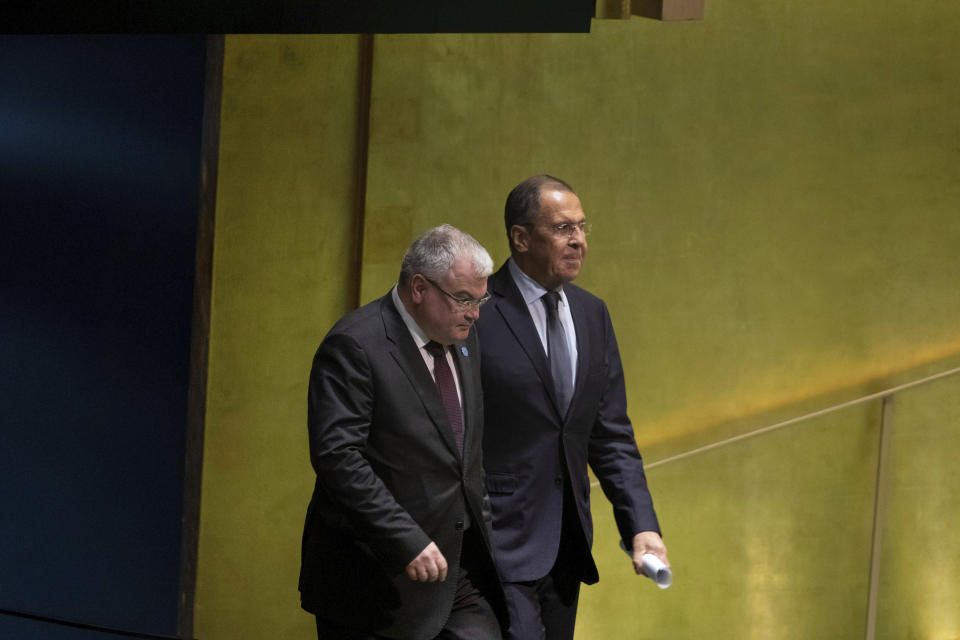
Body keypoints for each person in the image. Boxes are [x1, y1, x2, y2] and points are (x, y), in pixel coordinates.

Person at [476, 175, 669, 640]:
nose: (579, 240)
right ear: (520, 238)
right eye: (563, 228)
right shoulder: (477, 310)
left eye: (582, 227)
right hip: (497, 539)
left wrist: (640, 525)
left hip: (567, 542)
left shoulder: (592, 313)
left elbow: (610, 433)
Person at [299, 224, 507, 640]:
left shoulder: (464, 338)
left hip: (457, 573)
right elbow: (338, 458)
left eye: (480, 298)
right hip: (375, 580)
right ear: (418, 288)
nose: (475, 312)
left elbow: (465, 450)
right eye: (464, 298)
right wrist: (405, 538)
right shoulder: (356, 345)